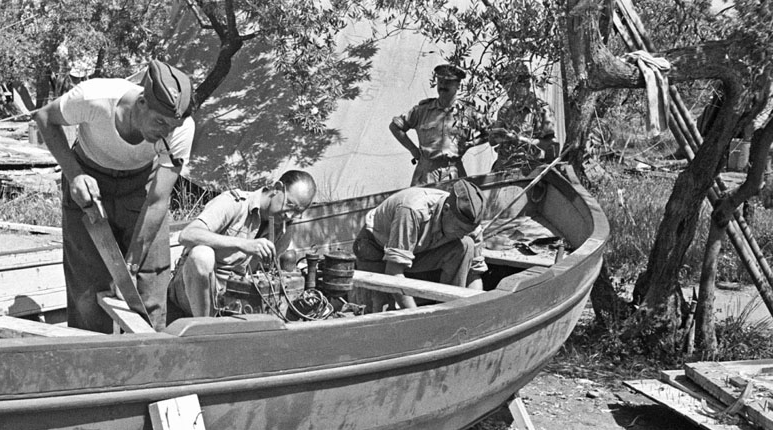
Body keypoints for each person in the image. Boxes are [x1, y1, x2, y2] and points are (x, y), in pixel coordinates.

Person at [33, 59, 195, 332]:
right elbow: (44, 118)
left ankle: (149, 360)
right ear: (142, 102)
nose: (165, 133)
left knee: (150, 282)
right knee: (88, 291)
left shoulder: (180, 130)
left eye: (171, 126)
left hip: (141, 188)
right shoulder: (94, 98)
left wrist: (131, 264)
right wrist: (75, 175)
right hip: (88, 180)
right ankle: (91, 361)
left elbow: (157, 200)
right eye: (159, 122)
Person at [168, 170, 318, 318]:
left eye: (298, 211)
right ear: (277, 188)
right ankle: (206, 326)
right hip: (193, 291)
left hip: (238, 297)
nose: (290, 215)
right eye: (290, 204)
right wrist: (242, 244)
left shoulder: (285, 226)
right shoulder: (234, 203)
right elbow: (187, 234)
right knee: (201, 255)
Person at [352, 179, 488, 310]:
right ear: (446, 210)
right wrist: (418, 317)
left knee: (465, 245)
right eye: (459, 229)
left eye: (467, 231)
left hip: (415, 252)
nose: (461, 234)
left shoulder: (471, 224)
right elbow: (393, 273)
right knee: (379, 312)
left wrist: (478, 310)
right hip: (375, 250)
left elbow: (474, 274)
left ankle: (449, 310)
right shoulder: (412, 210)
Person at [389, 64, 486, 186]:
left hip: (454, 172)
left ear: (458, 86)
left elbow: (490, 132)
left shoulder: (467, 113)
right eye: (440, 82)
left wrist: (470, 144)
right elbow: (395, 126)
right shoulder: (422, 111)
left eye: (448, 83)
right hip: (426, 174)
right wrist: (413, 150)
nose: (443, 86)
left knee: (457, 204)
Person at [489, 62, 557, 173]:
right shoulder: (505, 109)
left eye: (513, 90)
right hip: (502, 168)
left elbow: (552, 147)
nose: (510, 94)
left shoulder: (541, 110)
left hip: (529, 170)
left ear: (526, 85)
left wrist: (522, 140)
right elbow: (492, 141)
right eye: (507, 90)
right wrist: (496, 136)